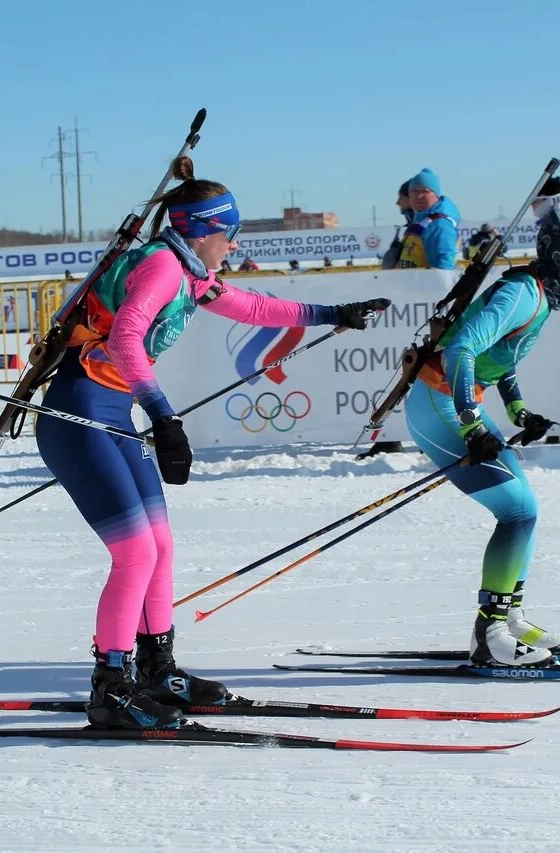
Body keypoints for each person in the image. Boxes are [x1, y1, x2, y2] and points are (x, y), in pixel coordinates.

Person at [35, 155, 391, 729]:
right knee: (135, 553)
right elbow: (127, 339)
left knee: (160, 546)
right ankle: (110, 687)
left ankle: (157, 670)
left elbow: (251, 306)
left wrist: (332, 314)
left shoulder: (189, 273)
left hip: (110, 411)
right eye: (229, 235)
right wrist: (164, 417)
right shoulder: (160, 269)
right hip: (78, 413)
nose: (231, 245)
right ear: (206, 231)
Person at [403, 198, 560, 667]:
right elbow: (459, 351)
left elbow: (501, 358)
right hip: (437, 403)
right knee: (517, 509)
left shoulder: (539, 293)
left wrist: (518, 410)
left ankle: (508, 617)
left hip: (453, 401)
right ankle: (489, 633)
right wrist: (473, 423)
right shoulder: (522, 293)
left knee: (525, 509)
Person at [396, 168, 461, 270]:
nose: (419, 196)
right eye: (415, 191)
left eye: (425, 191)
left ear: (436, 195)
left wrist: (437, 283)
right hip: (413, 283)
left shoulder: (439, 225)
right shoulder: (420, 221)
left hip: (427, 284)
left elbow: (444, 263)